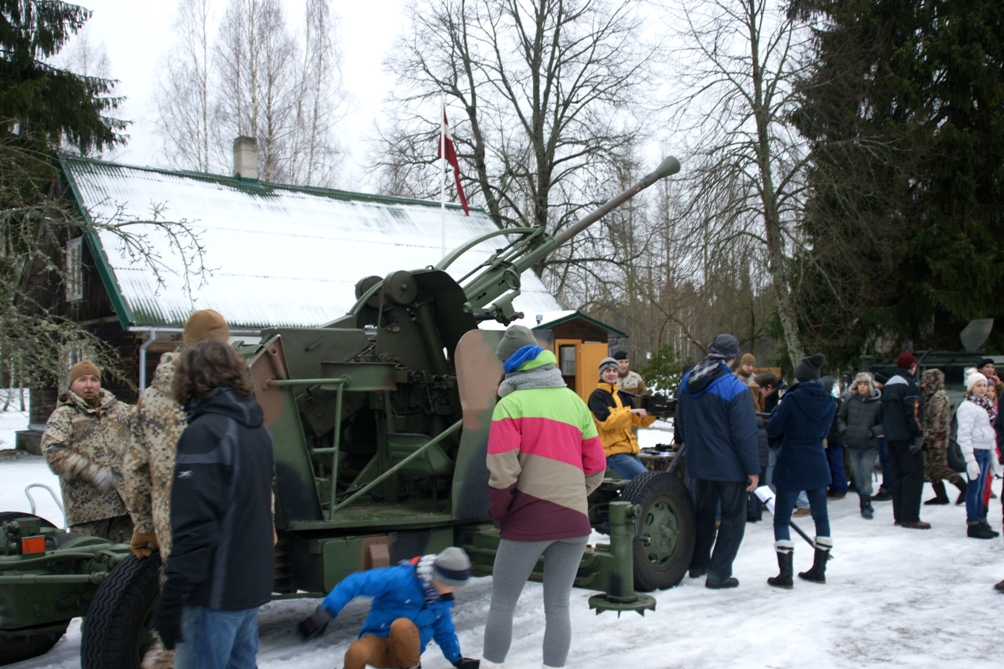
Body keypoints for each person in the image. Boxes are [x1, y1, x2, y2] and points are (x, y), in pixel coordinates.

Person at [483, 325, 606, 669]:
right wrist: (571, 498)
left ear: (509, 365)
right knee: (559, 606)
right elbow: (596, 467)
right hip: (574, 523)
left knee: (503, 602)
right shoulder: (575, 402)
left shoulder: (511, 405)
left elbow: (503, 471)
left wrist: (503, 511)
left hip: (527, 519)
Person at [153, 339, 275, 668]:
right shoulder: (258, 431)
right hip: (249, 587)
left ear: (189, 379)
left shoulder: (205, 432)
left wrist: (174, 591)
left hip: (213, 594)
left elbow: (197, 523)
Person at [297, 548, 480, 669]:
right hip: (377, 643)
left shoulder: (440, 601)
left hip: (406, 657)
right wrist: (325, 614)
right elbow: (354, 583)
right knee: (356, 652)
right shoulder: (400, 578)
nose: (455, 591)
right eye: (453, 586)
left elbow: (445, 632)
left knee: (402, 626)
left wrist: (458, 660)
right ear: (439, 578)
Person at [675, 334, 760, 589]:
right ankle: (719, 573)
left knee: (703, 514)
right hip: (729, 466)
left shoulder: (687, 382)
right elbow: (744, 435)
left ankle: (698, 564)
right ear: (733, 358)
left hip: (699, 462)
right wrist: (752, 470)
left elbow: (680, 419)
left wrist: (684, 443)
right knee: (733, 518)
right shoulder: (736, 389)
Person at [41, 360, 134, 542]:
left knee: (129, 565)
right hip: (88, 513)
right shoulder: (64, 415)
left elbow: (151, 423)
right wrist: (92, 472)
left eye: (94, 379)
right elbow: (54, 453)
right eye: (82, 380)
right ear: (72, 385)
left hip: (125, 510)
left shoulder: (119, 411)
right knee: (90, 563)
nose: (89, 385)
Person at [766, 354, 836, 588]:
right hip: (817, 460)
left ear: (798, 377)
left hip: (792, 461)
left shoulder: (791, 399)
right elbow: (825, 431)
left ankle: (785, 574)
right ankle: (819, 569)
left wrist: (778, 409)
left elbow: (774, 429)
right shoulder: (829, 401)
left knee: (782, 519)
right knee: (821, 517)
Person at [881, 353, 929, 529]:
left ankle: (899, 516)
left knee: (898, 476)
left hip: (891, 437)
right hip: (907, 437)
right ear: (913, 366)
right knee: (913, 477)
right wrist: (918, 434)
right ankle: (910, 517)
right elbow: (913, 412)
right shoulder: (910, 385)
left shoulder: (888, 384)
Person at [589, 357, 657, 479]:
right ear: (601, 374)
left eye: (614, 371)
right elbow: (607, 422)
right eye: (608, 371)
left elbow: (641, 422)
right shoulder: (597, 396)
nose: (611, 374)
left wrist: (655, 412)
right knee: (647, 481)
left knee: (647, 484)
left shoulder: (623, 396)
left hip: (629, 451)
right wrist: (630, 412)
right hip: (612, 453)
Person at [757, 371, 811, 517]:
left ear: (769, 387)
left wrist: (766, 422)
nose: (760, 392)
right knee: (774, 468)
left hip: (785, 438)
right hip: (778, 438)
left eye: (761, 388)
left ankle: (803, 503)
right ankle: (776, 500)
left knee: (788, 469)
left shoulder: (783, 397)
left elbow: (782, 419)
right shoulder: (776, 396)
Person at [956, 370, 999, 539]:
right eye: (978, 386)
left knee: (982, 488)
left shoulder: (984, 405)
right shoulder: (967, 407)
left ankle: (981, 519)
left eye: (984, 385)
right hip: (975, 451)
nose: (982, 389)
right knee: (974, 489)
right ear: (971, 387)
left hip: (985, 450)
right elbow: (964, 436)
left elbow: (988, 431)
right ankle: (973, 523)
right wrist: (970, 459)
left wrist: (993, 456)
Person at [837, 373, 883, 519]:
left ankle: (866, 504)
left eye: (865, 384)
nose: (862, 387)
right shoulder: (850, 401)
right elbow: (840, 417)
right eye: (860, 384)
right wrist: (844, 430)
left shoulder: (877, 404)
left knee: (866, 474)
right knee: (856, 475)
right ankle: (863, 499)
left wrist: (872, 432)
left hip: (869, 445)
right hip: (852, 444)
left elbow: (883, 424)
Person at [918, 370, 967, 505]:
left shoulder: (939, 397)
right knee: (930, 468)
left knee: (941, 467)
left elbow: (937, 421)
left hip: (937, 439)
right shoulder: (929, 396)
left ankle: (965, 488)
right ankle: (941, 496)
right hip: (930, 437)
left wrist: (929, 437)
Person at [821, 376, 848, 500]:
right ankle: (833, 487)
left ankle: (840, 488)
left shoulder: (836, 403)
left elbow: (835, 423)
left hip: (835, 439)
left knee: (836, 463)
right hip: (828, 437)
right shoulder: (827, 402)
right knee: (829, 463)